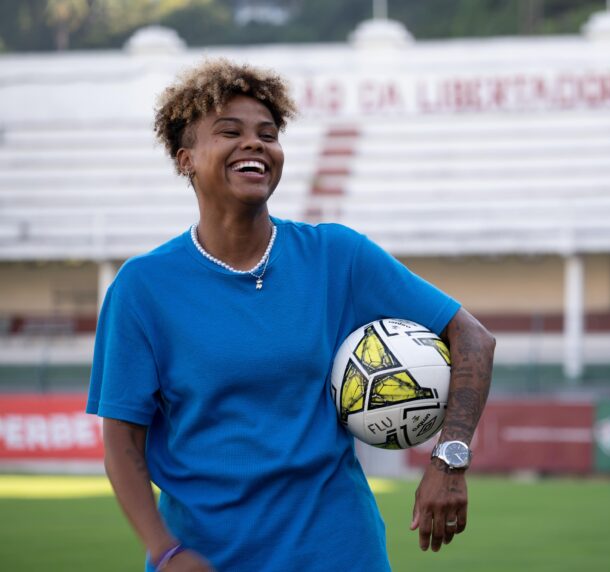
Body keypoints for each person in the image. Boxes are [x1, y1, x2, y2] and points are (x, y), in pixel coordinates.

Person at [86, 59, 495, 572]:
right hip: (205, 560)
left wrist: (450, 458)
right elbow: (122, 441)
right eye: (229, 132)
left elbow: (473, 338)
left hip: (339, 551)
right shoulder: (143, 287)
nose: (255, 143)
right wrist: (163, 549)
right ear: (185, 158)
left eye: (268, 133)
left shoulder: (338, 256)